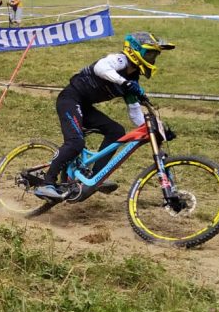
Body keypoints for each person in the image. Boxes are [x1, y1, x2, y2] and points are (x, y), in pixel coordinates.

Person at [33, 32, 175, 200]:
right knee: (75, 142)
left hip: (84, 107)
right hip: (70, 99)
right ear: (135, 50)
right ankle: (46, 183)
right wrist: (123, 82)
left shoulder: (132, 80)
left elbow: (135, 112)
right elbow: (100, 68)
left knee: (116, 131)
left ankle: (95, 177)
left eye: (154, 55)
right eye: (149, 54)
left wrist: (157, 129)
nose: (152, 59)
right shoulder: (120, 60)